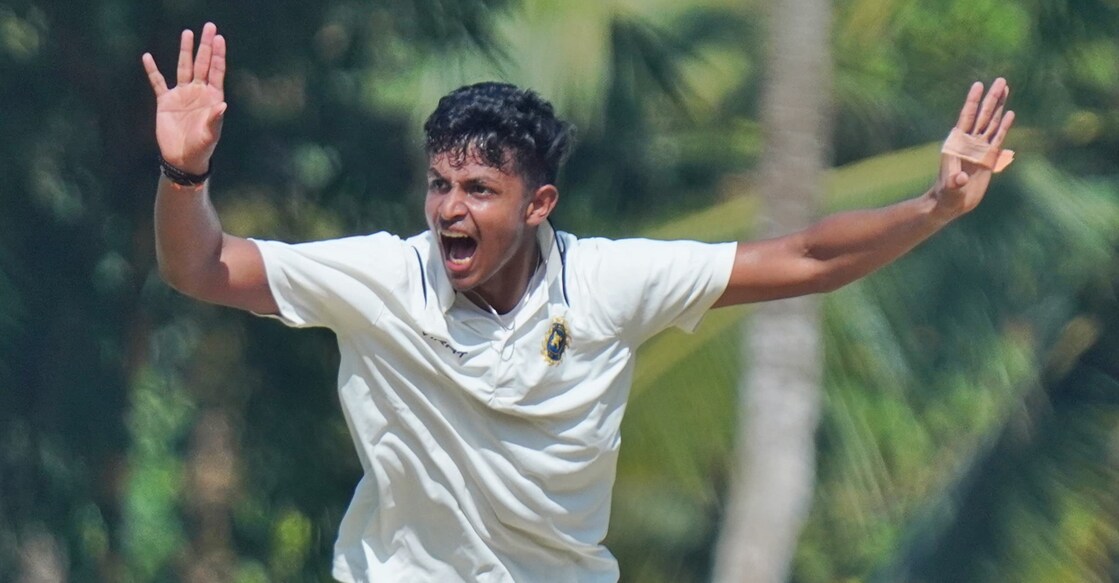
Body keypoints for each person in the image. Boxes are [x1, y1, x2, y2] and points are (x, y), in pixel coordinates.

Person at [142, 22, 1015, 583]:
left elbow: (805, 256)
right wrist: (186, 171)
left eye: (479, 188)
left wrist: (931, 206)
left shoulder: (606, 283)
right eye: (440, 184)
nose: (450, 208)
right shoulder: (380, 276)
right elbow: (203, 267)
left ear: (538, 204)